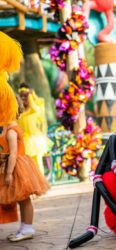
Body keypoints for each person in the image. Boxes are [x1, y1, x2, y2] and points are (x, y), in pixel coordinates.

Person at [0, 31, 49, 242]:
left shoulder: (11, 130)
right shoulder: (9, 128)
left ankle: (27, 228)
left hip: (17, 168)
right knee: (23, 199)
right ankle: (25, 227)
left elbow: (11, 154)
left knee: (23, 199)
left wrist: (9, 173)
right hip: (19, 166)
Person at [17, 83, 50, 175]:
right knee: (27, 165)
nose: (23, 98)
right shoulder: (20, 112)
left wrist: (30, 95)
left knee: (38, 162)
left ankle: (41, 182)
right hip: (24, 142)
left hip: (35, 141)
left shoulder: (34, 109)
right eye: (21, 96)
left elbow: (36, 107)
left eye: (25, 96)